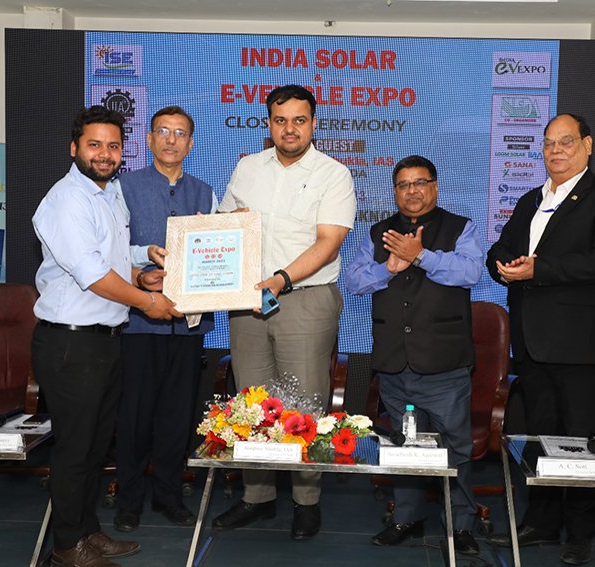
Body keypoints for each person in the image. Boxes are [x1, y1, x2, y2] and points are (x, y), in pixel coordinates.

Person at [31, 105, 182, 567]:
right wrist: (148, 302)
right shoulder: (66, 200)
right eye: (94, 145)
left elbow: (111, 260)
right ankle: (66, 546)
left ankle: (86, 531)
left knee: (96, 447)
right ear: (73, 148)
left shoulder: (109, 192)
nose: (104, 154)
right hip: (71, 343)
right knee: (74, 450)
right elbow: (93, 274)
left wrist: (141, 272)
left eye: (113, 146)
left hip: (104, 339)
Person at [486, 113, 595, 566]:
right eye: (548, 143)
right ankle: (543, 522)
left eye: (565, 142)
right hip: (532, 344)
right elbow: (502, 247)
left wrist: (538, 269)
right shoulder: (531, 199)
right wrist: (501, 266)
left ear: (588, 145)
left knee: (582, 442)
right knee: (540, 437)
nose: (555, 151)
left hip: (581, 345)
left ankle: (581, 532)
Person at [211, 84, 356, 540]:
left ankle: (306, 501)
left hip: (305, 298)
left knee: (304, 402)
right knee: (251, 401)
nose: (289, 129)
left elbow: (328, 242)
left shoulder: (334, 174)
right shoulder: (247, 168)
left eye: (299, 120)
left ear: (313, 124)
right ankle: (257, 496)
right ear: (268, 123)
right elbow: (224, 229)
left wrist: (280, 279)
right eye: (280, 120)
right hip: (247, 302)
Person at [345, 155, 483, 556]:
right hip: (394, 363)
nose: (412, 191)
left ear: (435, 187)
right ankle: (406, 517)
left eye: (420, 182)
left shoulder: (461, 227)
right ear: (395, 191)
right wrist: (387, 268)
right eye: (404, 184)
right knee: (404, 446)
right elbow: (353, 281)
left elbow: (470, 272)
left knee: (455, 448)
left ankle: (462, 524)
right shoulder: (377, 232)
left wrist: (421, 256)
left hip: (444, 365)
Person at [112, 106, 218, 533]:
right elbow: (109, 249)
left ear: (191, 144)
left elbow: (217, 253)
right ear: (149, 139)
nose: (171, 140)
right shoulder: (122, 188)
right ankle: (129, 500)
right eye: (163, 131)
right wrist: (143, 262)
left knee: (178, 416)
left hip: (188, 325)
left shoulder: (205, 193)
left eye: (180, 133)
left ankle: (169, 496)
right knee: (135, 416)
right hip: (139, 322)